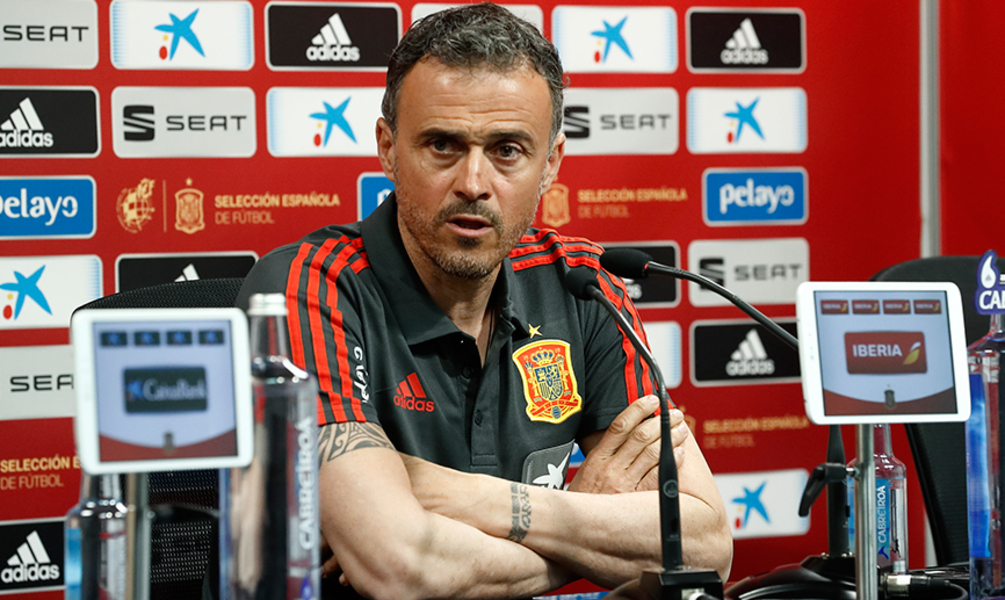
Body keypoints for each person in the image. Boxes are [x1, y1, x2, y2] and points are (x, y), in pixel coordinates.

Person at [237, 3, 731, 598]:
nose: (473, 183)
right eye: (442, 145)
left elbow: (705, 546)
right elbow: (400, 569)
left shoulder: (582, 282)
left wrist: (467, 499)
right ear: (388, 148)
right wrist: (583, 523)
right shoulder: (306, 287)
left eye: (508, 150)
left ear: (550, 163)